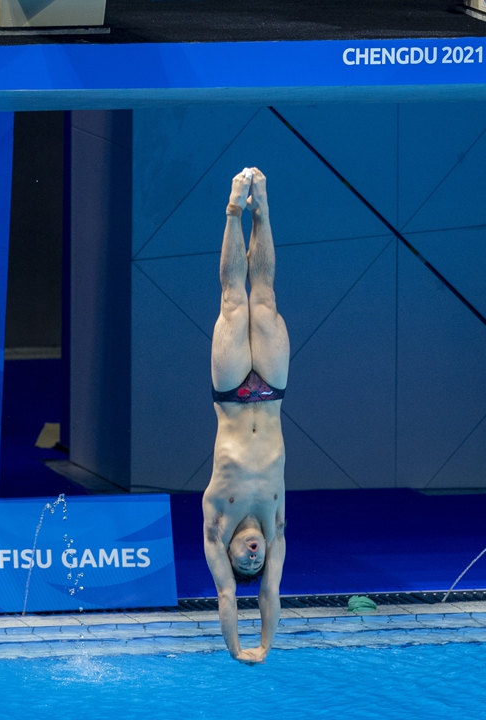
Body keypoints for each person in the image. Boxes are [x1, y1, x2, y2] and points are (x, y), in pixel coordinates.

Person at [202, 167, 288, 663]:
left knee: (236, 302)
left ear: (230, 553)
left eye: (245, 561)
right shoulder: (275, 528)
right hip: (271, 394)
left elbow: (229, 595)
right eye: (257, 561)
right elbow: (269, 594)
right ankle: (266, 210)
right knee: (267, 298)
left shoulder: (218, 524)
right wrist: (267, 646)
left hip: (232, 395)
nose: (253, 557)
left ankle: (235, 207)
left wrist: (239, 649)